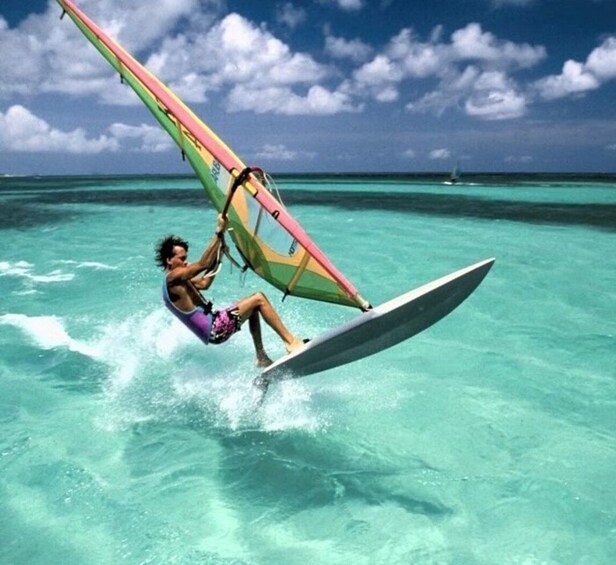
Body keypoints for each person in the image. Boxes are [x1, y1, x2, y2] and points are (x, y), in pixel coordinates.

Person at [155, 215, 305, 367]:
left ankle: (261, 357)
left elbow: (205, 282)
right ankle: (291, 342)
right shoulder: (172, 278)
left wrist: (219, 256)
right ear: (169, 260)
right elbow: (203, 264)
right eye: (182, 258)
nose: (186, 261)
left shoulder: (177, 283)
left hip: (216, 326)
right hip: (216, 328)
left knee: (252, 303)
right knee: (259, 299)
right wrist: (219, 231)